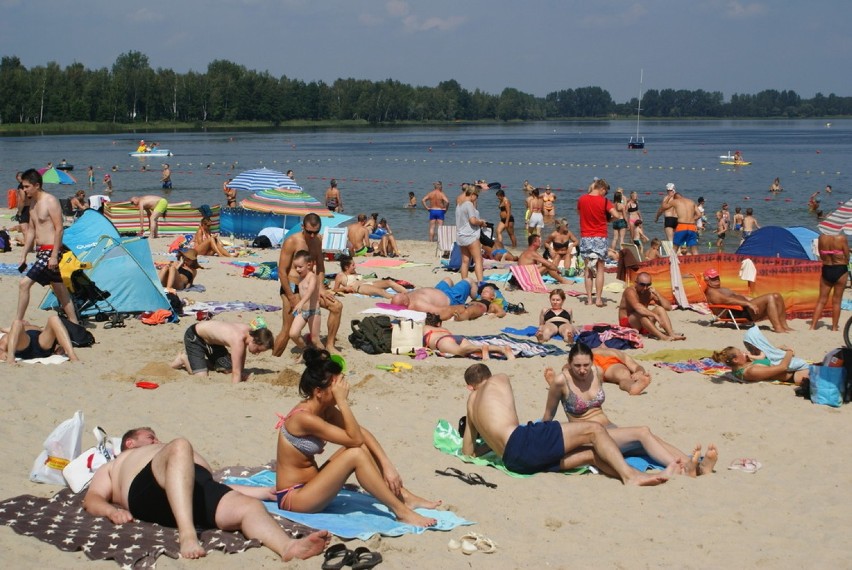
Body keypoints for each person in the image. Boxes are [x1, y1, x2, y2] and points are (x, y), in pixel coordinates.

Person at [83, 427, 329, 561]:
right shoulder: (119, 462)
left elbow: (213, 485)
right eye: (150, 436)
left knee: (249, 508)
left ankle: (287, 547)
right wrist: (110, 511)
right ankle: (188, 533)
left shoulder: (171, 454)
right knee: (180, 445)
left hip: (193, 489)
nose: (157, 438)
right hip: (147, 489)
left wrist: (262, 492)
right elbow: (92, 498)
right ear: (130, 443)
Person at [275, 348, 439, 527]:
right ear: (318, 391)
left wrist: (387, 465)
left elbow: (362, 435)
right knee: (356, 453)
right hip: (294, 498)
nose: (342, 389)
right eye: (335, 385)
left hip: (312, 486)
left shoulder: (324, 410)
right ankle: (401, 512)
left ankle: (403, 496)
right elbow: (355, 439)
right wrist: (343, 402)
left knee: (359, 449)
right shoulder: (304, 418)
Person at [461, 363, 671, 484]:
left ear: (470, 388)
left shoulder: (471, 404)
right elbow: (513, 426)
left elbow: (469, 451)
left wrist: (488, 440)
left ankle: (640, 475)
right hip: (521, 442)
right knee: (594, 431)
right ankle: (630, 476)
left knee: (591, 455)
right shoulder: (499, 378)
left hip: (514, 462)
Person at [542, 343, 717, 476]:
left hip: (610, 428)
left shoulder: (597, 373)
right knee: (642, 432)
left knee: (650, 440)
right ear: (569, 364)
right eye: (577, 366)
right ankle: (681, 468)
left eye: (585, 365)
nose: (582, 370)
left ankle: (696, 466)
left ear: (592, 362)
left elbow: (617, 379)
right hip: (590, 437)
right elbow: (548, 417)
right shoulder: (561, 382)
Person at [273, 213, 342, 357]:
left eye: (315, 232)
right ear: (302, 226)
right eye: (309, 232)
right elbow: (282, 272)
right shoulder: (292, 241)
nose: (312, 235)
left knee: (336, 306)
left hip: (310, 287)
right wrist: (291, 297)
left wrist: (322, 288)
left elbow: (321, 268)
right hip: (292, 287)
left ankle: (329, 345)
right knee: (287, 330)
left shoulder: (317, 241)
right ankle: (275, 357)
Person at [16, 169, 78, 324]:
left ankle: (18, 321)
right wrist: (23, 255)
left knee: (24, 284)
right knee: (60, 290)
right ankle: (75, 324)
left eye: (26, 186)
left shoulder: (50, 200)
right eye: (23, 187)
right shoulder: (32, 204)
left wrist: (53, 255)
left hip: (51, 250)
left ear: (37, 185)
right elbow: (31, 230)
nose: (24, 190)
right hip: (41, 251)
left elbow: (59, 228)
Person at [170, 319, 274, 383]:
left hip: (213, 343)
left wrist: (241, 371)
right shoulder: (238, 340)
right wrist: (236, 389)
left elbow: (240, 358)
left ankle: (198, 362)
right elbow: (236, 373)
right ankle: (184, 358)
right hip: (195, 337)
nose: (257, 353)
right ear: (255, 341)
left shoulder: (250, 332)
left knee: (228, 368)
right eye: (258, 350)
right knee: (201, 377)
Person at [702, 268, 793, 332]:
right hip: (737, 312)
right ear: (706, 279)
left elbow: (737, 296)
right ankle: (778, 328)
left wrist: (751, 300)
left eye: (717, 277)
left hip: (744, 309)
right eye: (713, 278)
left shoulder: (722, 289)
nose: (717, 280)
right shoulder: (711, 292)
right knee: (770, 297)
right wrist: (748, 303)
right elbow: (727, 301)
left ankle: (785, 326)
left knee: (777, 295)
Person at [577, 178, 617, 307]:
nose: (605, 194)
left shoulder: (582, 199)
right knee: (600, 268)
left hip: (586, 236)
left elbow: (579, 212)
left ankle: (589, 299)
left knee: (588, 269)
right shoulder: (604, 201)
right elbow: (616, 215)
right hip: (600, 236)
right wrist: (608, 220)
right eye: (605, 192)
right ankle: (598, 299)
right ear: (602, 189)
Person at [618, 272, 685, 341]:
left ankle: (671, 334)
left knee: (660, 309)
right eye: (642, 285)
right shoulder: (630, 291)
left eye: (648, 285)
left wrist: (657, 294)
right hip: (628, 324)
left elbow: (668, 307)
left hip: (644, 324)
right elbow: (638, 307)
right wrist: (655, 316)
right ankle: (662, 337)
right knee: (640, 314)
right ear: (636, 283)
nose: (645, 287)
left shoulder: (649, 292)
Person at [423, 313, 515, 359]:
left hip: (441, 341)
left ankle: (482, 348)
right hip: (455, 337)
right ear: (439, 324)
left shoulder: (425, 328)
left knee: (460, 352)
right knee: (472, 348)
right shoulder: (444, 329)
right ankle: (502, 349)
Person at [0, 315, 79, 364]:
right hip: (25, 344)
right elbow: (2, 347)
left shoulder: (36, 328)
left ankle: (72, 356)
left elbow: (58, 335)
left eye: (25, 320)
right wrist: (4, 353)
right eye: (23, 321)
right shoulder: (12, 332)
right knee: (16, 323)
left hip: (42, 343)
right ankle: (11, 358)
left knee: (53, 318)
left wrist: (60, 346)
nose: (24, 320)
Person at [810, 234, 850, 331]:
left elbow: (820, 254)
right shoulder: (841, 238)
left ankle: (813, 326)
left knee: (821, 300)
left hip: (827, 269)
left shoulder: (821, 237)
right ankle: (834, 327)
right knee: (837, 301)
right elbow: (847, 256)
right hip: (840, 269)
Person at [711, 345, 809, 384]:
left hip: (796, 369)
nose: (744, 353)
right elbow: (783, 367)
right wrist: (789, 352)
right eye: (741, 352)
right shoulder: (751, 371)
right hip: (796, 374)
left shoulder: (737, 368)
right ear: (736, 359)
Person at [289, 250, 323, 355]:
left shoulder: (312, 277)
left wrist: (300, 302)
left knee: (315, 340)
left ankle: (326, 359)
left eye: (300, 267)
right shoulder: (300, 277)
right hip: (303, 311)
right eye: (296, 267)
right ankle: (306, 351)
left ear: (308, 265)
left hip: (314, 311)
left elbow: (310, 291)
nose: (298, 269)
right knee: (293, 334)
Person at [333, 255, 409, 299]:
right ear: (346, 267)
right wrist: (344, 288)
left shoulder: (353, 272)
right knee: (381, 291)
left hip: (368, 283)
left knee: (389, 282)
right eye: (353, 265)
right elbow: (335, 289)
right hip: (360, 287)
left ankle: (408, 294)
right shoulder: (340, 276)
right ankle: (399, 299)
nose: (355, 266)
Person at [455, 185, 486, 284]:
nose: (477, 198)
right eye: (477, 196)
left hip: (461, 236)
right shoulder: (469, 204)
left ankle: (464, 283)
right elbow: (472, 220)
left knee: (465, 261)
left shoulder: (459, 205)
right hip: (470, 236)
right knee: (478, 260)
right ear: (472, 195)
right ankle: (480, 282)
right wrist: (481, 222)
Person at [670, 189, 700, 255]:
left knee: (675, 247)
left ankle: (671, 263)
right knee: (694, 248)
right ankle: (698, 264)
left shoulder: (676, 202)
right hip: (692, 226)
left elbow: (663, 206)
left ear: (675, 199)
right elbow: (699, 214)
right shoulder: (691, 201)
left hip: (682, 226)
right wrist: (692, 219)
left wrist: (657, 217)